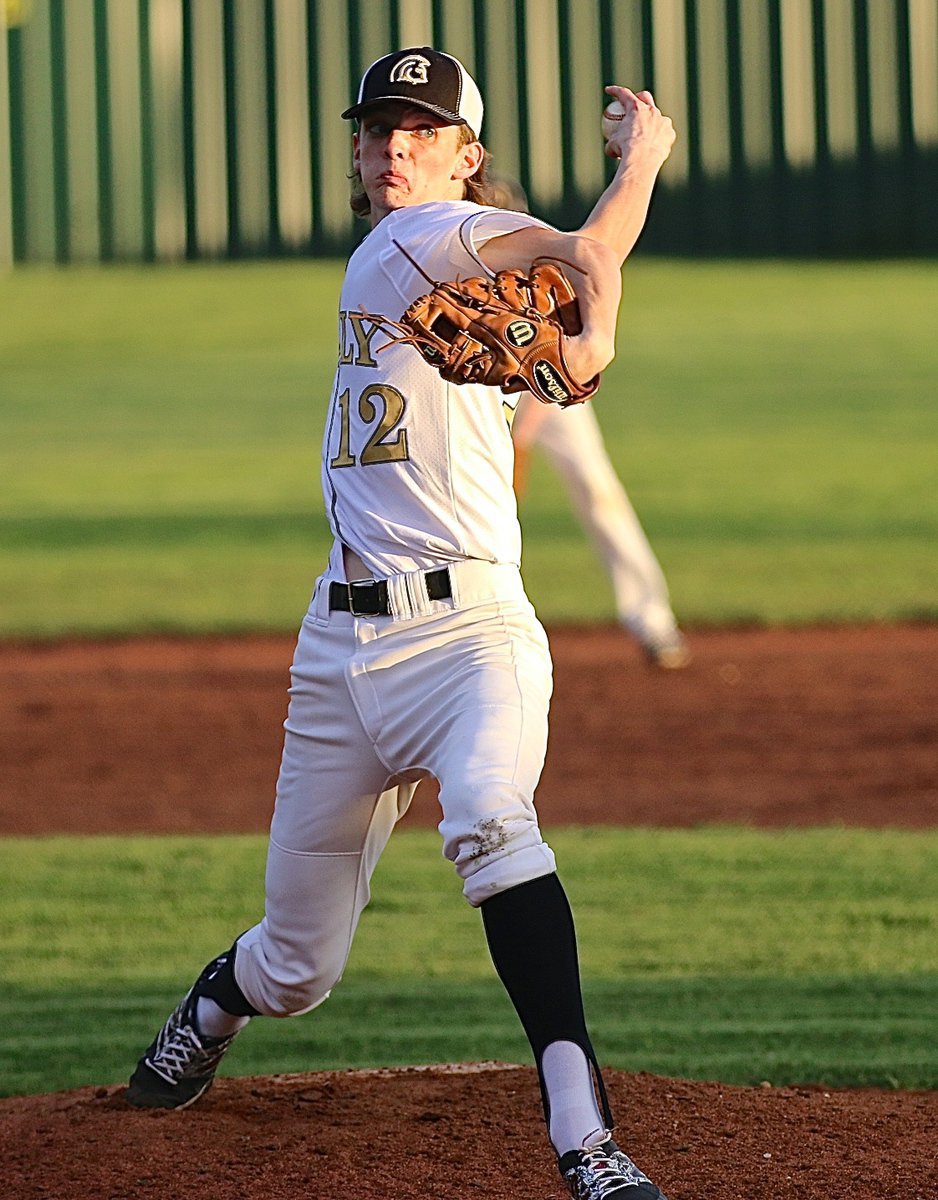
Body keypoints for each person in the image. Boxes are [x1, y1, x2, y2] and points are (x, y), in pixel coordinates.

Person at [127, 47, 676, 1200]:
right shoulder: (400, 248)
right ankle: (213, 1008)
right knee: (295, 966)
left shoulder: (449, 233)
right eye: (379, 129)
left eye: (422, 131)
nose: (393, 147)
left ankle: (584, 1138)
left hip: (472, 638)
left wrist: (596, 305)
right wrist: (635, 181)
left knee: (491, 822)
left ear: (465, 156)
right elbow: (581, 259)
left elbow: (578, 261)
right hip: (338, 656)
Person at [488, 174, 690, 670]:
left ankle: (652, 618)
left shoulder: (542, 275)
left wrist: (520, 438)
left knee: (598, 491)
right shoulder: (450, 269)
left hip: (553, 391)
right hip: (477, 391)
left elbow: (558, 371)